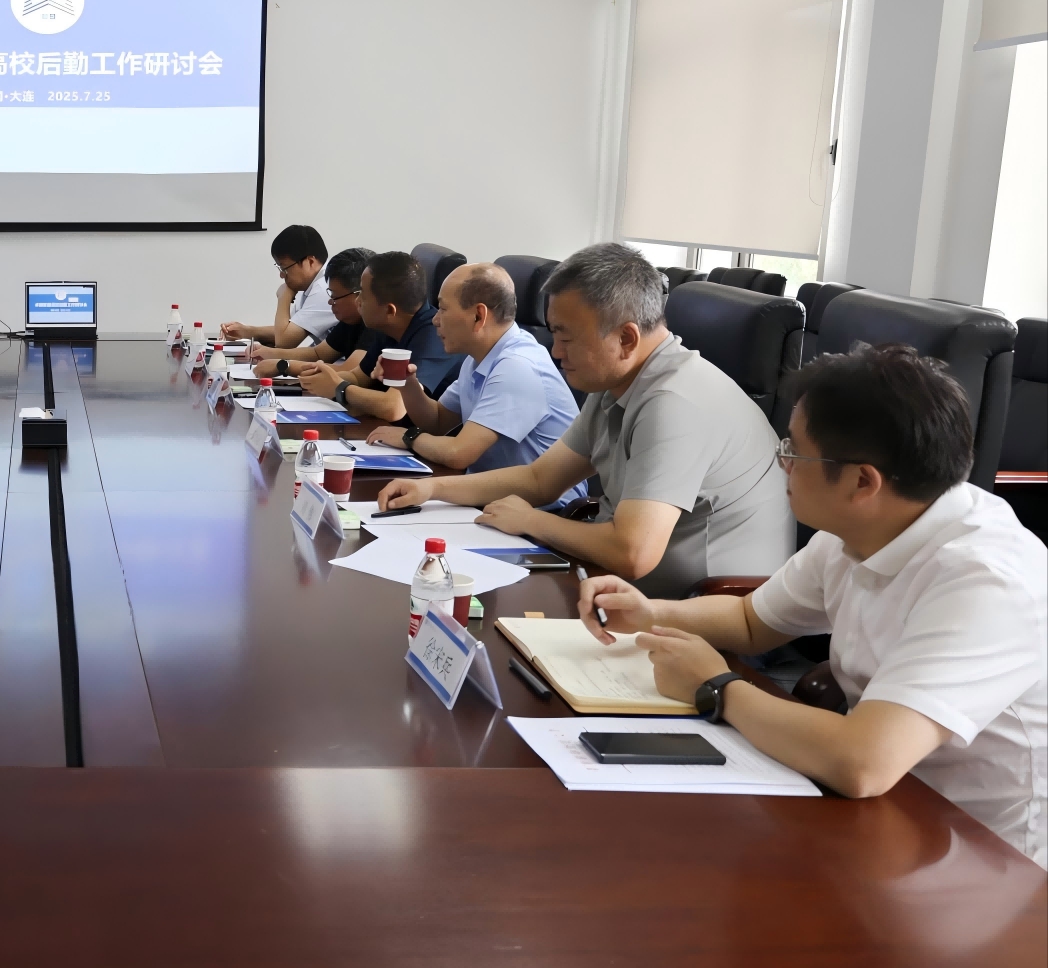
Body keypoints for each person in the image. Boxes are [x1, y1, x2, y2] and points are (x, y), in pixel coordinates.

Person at [577, 345, 1045, 866]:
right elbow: (751, 622)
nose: (783, 464)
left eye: (794, 452)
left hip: (985, 856)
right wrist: (652, 612)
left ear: (862, 482)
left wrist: (716, 687)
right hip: (885, 813)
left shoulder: (985, 581)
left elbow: (864, 762)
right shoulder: (859, 528)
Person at [375, 242, 792, 595]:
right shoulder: (616, 383)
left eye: (566, 337)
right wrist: (431, 488)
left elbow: (633, 552)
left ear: (625, 338)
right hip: (621, 589)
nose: (555, 352)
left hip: (700, 614)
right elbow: (540, 479)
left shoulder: (675, 402)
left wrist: (531, 520)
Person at [365, 263, 582, 507]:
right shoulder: (478, 358)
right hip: (491, 500)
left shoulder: (518, 366)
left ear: (478, 316)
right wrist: (408, 384)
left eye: (443, 309)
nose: (435, 320)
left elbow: (459, 453)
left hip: (543, 515)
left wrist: (409, 437)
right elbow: (438, 421)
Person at [293, 250, 464, 422]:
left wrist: (339, 387)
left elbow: (393, 407)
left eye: (363, 295)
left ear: (389, 310)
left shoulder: (434, 336)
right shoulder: (389, 327)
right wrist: (321, 378)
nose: (358, 301)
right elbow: (358, 377)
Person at [246, 247, 373, 377]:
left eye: (335, 296)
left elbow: (349, 373)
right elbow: (318, 354)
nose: (330, 302)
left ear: (360, 294)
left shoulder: (375, 325)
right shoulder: (351, 321)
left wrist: (284, 366)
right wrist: (269, 353)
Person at [220, 224, 336, 347]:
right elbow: (288, 329)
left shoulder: (324, 288)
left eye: (284, 268)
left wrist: (284, 296)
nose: (282, 275)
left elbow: (284, 342)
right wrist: (247, 331)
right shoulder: (314, 284)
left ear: (310, 262)